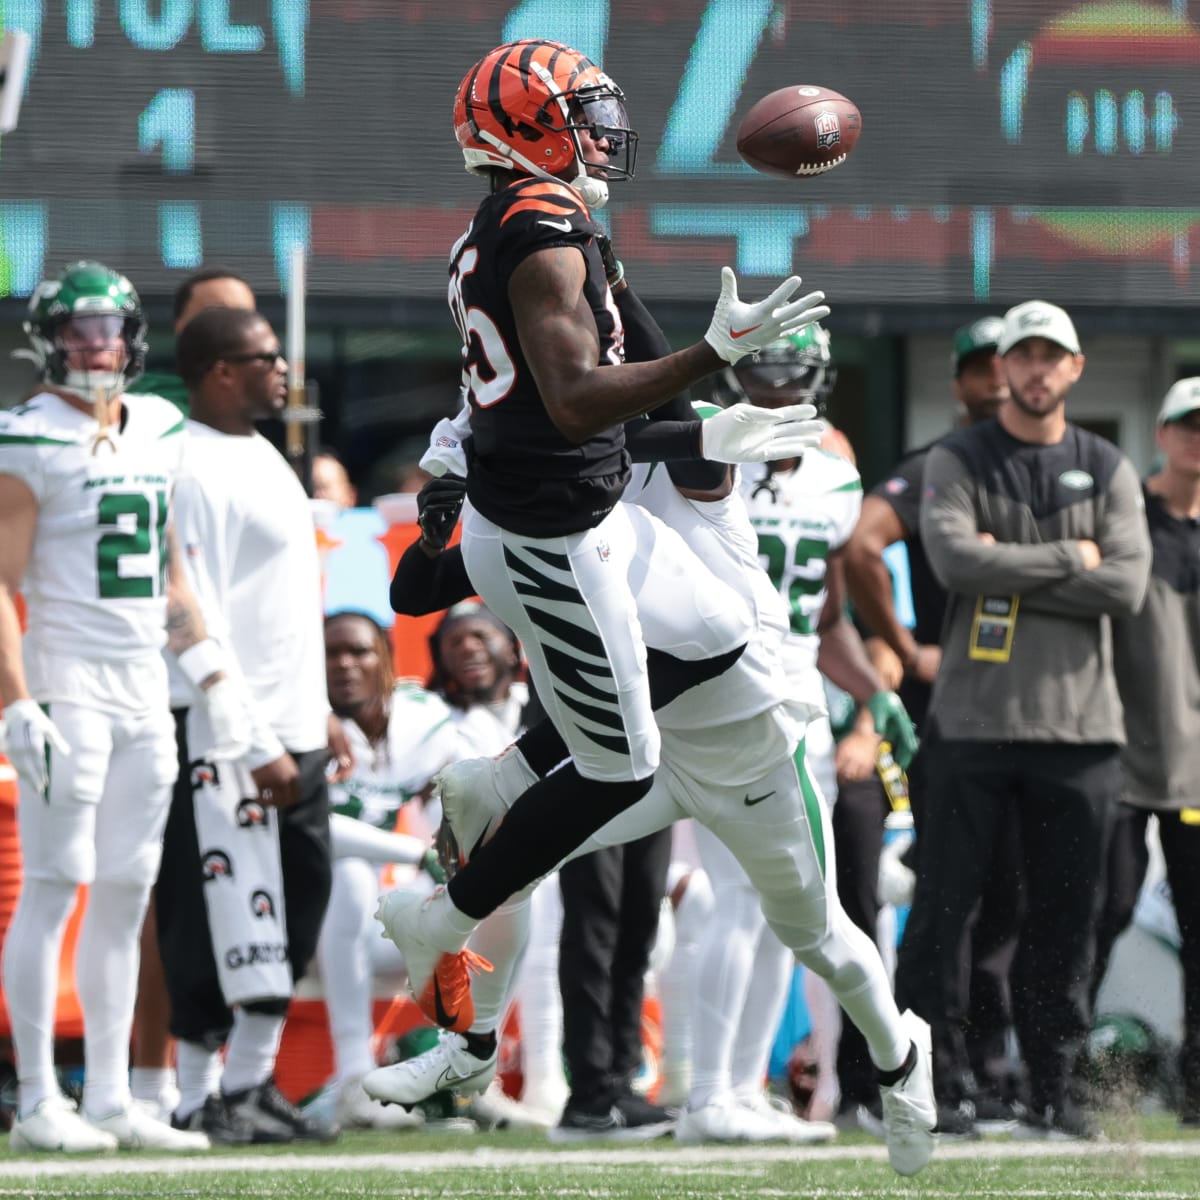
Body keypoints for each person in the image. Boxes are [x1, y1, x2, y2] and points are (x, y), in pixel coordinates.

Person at [374, 37, 839, 1038]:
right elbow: (584, 404)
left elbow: (609, 401)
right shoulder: (541, 231)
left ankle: (489, 790)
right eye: (582, 110)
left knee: (715, 633)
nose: (604, 128)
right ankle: (438, 917)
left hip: (571, 515)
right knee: (619, 767)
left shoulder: (542, 221)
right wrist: (716, 358)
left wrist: (705, 415)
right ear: (528, 125)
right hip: (551, 536)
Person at [372, 395, 939, 1174]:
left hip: (747, 750)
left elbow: (687, 658)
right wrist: (445, 527)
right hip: (644, 752)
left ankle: (902, 1062)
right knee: (508, 866)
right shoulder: (562, 506)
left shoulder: (674, 501)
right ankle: (469, 1046)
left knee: (818, 934)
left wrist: (521, 766)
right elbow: (414, 592)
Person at [0, 260, 243, 1153]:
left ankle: (109, 1096)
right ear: (49, 341)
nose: (94, 347)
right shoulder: (25, 437)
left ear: (131, 337)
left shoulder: (162, 426)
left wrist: (213, 673)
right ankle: (36, 1100)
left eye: (107, 331)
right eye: (77, 332)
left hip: (147, 687)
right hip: (68, 687)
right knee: (57, 882)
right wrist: (17, 701)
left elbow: (172, 567)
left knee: (128, 890)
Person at [903, 300, 1152, 1139]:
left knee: (1065, 921)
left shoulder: (1108, 463)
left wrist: (1006, 566)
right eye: (1024, 357)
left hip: (1081, 732)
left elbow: (1125, 585)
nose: (1038, 371)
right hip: (970, 726)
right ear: (1001, 368)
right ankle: (938, 1086)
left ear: (1075, 369)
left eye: (1054, 357)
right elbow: (952, 560)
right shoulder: (958, 455)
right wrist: (1066, 558)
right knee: (944, 915)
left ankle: (1057, 1090)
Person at [154, 305, 339, 1145]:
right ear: (218, 372)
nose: (281, 370)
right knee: (209, 913)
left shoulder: (265, 454)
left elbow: (284, 605)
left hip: (295, 722)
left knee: (300, 901)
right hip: (230, 730)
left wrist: (319, 712)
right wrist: (250, 731)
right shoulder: (188, 467)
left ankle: (251, 1083)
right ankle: (196, 1095)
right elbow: (185, 607)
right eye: (264, 358)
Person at [843, 318, 1022, 1129]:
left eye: (1009, 365)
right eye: (981, 369)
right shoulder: (933, 466)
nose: (998, 382)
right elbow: (860, 547)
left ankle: (990, 1067)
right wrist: (904, 645)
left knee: (1009, 899)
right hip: (949, 713)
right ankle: (940, 1070)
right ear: (958, 383)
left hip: (1037, 714)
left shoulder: (1056, 468)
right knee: (948, 894)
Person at [127, 266, 258, 1123]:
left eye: (249, 324)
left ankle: (218, 1084)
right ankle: (141, 1084)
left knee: (232, 900)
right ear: (186, 339)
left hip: (242, 702)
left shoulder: (246, 437)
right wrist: (208, 669)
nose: (241, 341)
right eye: (221, 326)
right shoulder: (151, 423)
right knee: (160, 901)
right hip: (167, 693)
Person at [1090, 377, 1200, 1127]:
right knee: (1104, 911)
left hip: (1198, 772)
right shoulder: (1127, 518)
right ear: (1161, 432)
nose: (1199, 437)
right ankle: (1063, 1073)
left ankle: (1194, 1085)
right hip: (1125, 758)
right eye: (1189, 424)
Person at [316, 610, 456, 1130]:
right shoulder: (303, 721)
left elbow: (466, 804)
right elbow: (319, 832)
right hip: (295, 924)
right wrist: (415, 853)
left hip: (367, 934)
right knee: (350, 875)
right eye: (330, 653)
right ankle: (356, 1078)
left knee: (500, 887)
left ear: (388, 661)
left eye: (359, 651)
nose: (345, 664)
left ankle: (463, 1065)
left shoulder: (422, 720)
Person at [127, 267, 256, 412]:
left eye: (244, 317)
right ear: (180, 325)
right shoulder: (137, 399)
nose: (232, 327)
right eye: (215, 315)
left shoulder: (273, 398)